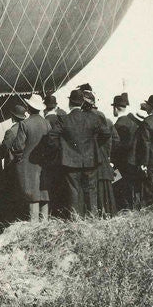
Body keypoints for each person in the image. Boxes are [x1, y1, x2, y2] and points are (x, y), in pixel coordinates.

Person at [46, 88, 110, 217]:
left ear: (70, 103)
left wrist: (63, 149)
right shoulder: (92, 118)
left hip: (70, 162)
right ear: (82, 103)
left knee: (74, 191)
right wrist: (94, 146)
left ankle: (76, 219)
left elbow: (51, 137)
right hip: (91, 160)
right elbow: (106, 133)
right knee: (91, 190)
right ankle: (92, 218)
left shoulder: (64, 119)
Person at [9, 94, 51, 221]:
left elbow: (18, 147)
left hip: (28, 166)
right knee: (44, 196)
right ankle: (45, 225)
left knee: (33, 199)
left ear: (28, 107)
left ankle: (34, 226)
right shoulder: (47, 123)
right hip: (43, 164)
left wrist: (18, 159)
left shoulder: (24, 124)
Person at [111, 93, 142, 210]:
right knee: (131, 188)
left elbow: (117, 147)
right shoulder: (133, 123)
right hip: (133, 162)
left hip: (121, 164)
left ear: (115, 108)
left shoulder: (118, 125)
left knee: (119, 188)